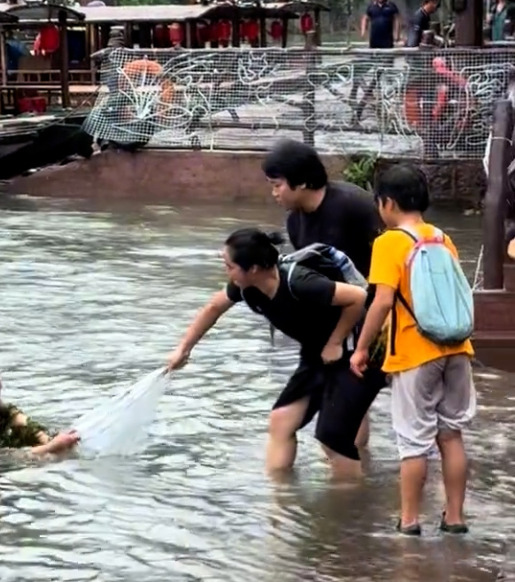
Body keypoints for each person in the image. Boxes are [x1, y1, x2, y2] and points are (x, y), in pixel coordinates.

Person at [165, 228, 378, 478]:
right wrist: (183, 349)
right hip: (315, 354)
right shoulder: (246, 287)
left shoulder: (300, 283)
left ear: (253, 268)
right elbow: (214, 307)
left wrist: (335, 341)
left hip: (354, 351)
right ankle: (279, 503)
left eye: (229, 265)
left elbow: (358, 297)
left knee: (332, 438)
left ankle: (350, 502)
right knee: (281, 421)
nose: (227, 271)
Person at [350, 165, 476, 536]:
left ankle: (408, 522)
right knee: (451, 435)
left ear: (387, 203)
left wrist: (360, 348)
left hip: (415, 353)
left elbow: (382, 301)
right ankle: (454, 519)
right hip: (457, 348)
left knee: (413, 443)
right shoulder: (442, 238)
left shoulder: (389, 242)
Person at [262, 139, 385, 448]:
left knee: (355, 402)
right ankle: (356, 469)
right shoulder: (295, 222)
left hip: (376, 311)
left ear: (301, 182)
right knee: (348, 402)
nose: (274, 193)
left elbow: (394, 251)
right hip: (339, 318)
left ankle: (351, 475)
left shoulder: (353, 205)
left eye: (277, 185)